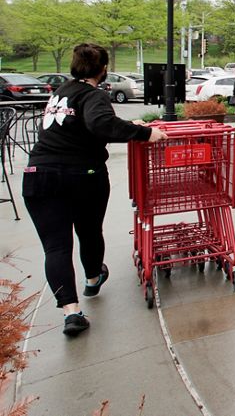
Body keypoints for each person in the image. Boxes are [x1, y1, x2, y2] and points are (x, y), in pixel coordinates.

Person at [24, 43, 166, 336]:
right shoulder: (93, 94)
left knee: (56, 247)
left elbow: (84, 125)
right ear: (103, 70)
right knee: (88, 232)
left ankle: (71, 312)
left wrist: (127, 124)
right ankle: (92, 278)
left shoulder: (61, 92)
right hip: (81, 175)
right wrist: (145, 132)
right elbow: (100, 123)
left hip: (39, 174)